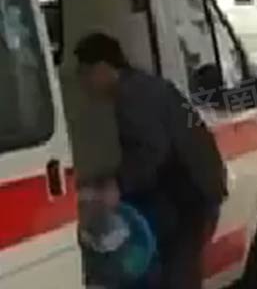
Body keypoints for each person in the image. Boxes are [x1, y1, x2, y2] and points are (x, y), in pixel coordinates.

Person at [74, 33, 227, 289]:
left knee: (176, 275)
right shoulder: (140, 87)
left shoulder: (132, 95)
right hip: (191, 191)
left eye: (84, 74)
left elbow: (151, 150)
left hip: (189, 197)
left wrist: (117, 186)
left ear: (102, 68)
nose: (83, 84)